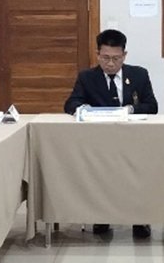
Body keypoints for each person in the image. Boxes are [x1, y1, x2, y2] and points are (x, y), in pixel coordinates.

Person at [64, 29, 158, 238]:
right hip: (100, 142)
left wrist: (130, 109)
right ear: (97, 55)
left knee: (137, 174)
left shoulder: (139, 75)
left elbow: (152, 106)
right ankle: (102, 216)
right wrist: (84, 109)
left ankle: (140, 218)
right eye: (105, 58)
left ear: (124, 55)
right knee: (100, 174)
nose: (110, 63)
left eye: (116, 58)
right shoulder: (87, 77)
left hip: (133, 139)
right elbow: (71, 104)